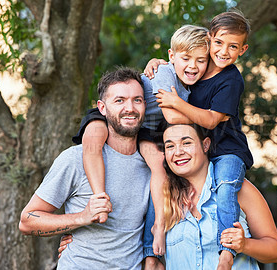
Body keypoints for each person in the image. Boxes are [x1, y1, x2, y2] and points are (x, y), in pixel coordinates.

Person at [59, 123, 277, 269]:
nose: (178, 152)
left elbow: (274, 251)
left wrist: (244, 245)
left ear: (205, 145)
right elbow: (127, 240)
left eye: (186, 142)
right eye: (170, 146)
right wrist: (76, 240)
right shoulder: (161, 200)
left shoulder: (238, 188)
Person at [71, 25, 209, 256]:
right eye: (186, 58)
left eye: (200, 60)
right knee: (94, 137)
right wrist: (210, 118)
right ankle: (99, 197)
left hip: (143, 128)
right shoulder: (166, 73)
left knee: (158, 163)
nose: (193, 65)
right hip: (118, 113)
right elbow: (171, 115)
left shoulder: (192, 89)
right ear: (173, 56)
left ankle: (159, 225)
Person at [19, 67, 162, 269]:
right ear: (102, 108)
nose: (130, 108)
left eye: (137, 100)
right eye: (119, 100)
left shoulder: (152, 163)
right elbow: (27, 221)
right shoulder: (75, 158)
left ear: (145, 105)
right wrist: (81, 218)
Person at [145, 10, 253, 269]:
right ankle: (152, 254)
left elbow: (211, 121)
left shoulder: (230, 79)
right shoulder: (199, 70)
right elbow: (180, 66)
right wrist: (157, 62)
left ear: (243, 49)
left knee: (226, 188)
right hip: (202, 151)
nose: (224, 51)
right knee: (161, 186)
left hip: (227, 149)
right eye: (218, 43)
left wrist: (176, 102)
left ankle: (226, 250)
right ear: (209, 39)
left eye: (233, 46)